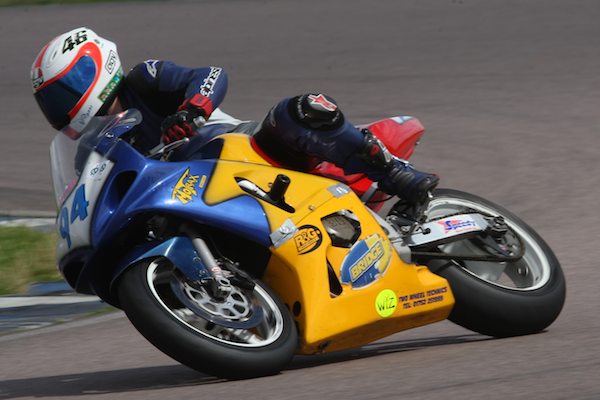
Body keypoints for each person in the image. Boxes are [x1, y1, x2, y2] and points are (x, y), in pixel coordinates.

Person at [31, 27, 438, 207]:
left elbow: (210, 75)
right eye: (50, 101)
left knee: (299, 110)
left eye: (63, 92)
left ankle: (392, 171)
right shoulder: (90, 154)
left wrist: (192, 111)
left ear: (95, 67)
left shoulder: (143, 79)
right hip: (190, 198)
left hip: (241, 150)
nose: (59, 108)